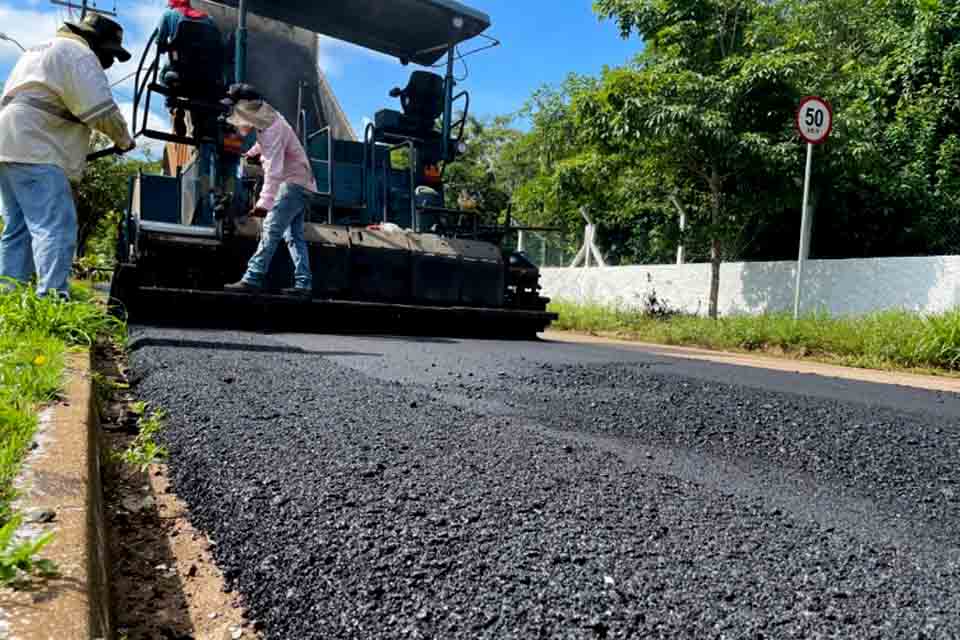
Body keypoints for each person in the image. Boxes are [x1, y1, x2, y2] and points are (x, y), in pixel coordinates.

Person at [0, 14, 135, 298]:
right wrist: (123, 139)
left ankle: (9, 297)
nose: (109, 62)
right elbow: (100, 109)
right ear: (95, 42)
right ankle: (52, 300)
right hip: (38, 147)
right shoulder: (79, 53)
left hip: (9, 143)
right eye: (109, 54)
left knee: (18, 229)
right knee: (55, 227)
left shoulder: (40, 49)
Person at [222, 84, 316, 296]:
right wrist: (250, 153)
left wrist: (264, 203)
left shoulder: (273, 128)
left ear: (247, 108)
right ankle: (304, 284)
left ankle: (252, 278)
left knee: (271, 229)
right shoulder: (270, 120)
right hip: (304, 184)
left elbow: (274, 170)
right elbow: (264, 143)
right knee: (294, 236)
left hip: (293, 184)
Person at [156, 0, 221, 138]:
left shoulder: (168, 15)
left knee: (163, 75)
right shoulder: (209, 19)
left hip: (180, 74)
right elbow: (218, 47)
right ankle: (199, 126)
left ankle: (174, 107)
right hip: (206, 77)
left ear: (172, 4)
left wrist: (170, 47)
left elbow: (160, 45)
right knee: (199, 93)